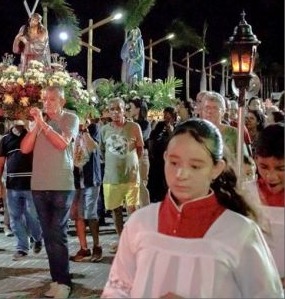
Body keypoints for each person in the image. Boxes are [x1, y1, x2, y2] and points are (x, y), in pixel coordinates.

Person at [101, 119, 283, 298]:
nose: (181, 174)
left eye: (195, 166)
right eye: (174, 163)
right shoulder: (140, 223)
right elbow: (117, 288)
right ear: (164, 158)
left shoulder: (239, 232)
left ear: (216, 168)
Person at [20, 86, 79, 299]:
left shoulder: (70, 118)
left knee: (58, 233)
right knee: (47, 235)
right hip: (39, 185)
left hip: (61, 185)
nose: (47, 103)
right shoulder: (38, 123)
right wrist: (36, 125)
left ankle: (64, 282)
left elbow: (62, 143)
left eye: (52, 99)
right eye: (44, 99)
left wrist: (43, 124)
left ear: (62, 102)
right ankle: (56, 279)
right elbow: (25, 148)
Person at [99, 98, 143, 254]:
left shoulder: (134, 127)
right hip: (112, 177)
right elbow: (102, 152)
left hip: (131, 177)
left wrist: (133, 166)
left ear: (124, 110)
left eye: (118, 108)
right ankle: (122, 241)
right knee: (115, 210)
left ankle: (135, 242)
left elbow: (140, 149)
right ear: (108, 112)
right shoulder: (104, 130)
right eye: (112, 109)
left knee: (133, 209)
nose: (115, 112)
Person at [0, 120, 43, 260]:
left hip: (31, 184)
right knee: (15, 217)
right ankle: (22, 247)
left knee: (32, 215)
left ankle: (37, 238)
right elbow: (0, 164)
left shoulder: (32, 135)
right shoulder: (5, 140)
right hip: (12, 185)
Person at [252, 123, 284, 285]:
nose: (270, 176)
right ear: (255, 160)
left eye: (280, 168)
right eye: (263, 167)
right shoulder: (245, 195)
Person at [69, 118, 103, 263]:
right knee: (78, 215)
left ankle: (97, 246)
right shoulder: (69, 128)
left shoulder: (93, 127)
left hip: (91, 178)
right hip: (76, 180)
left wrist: (84, 130)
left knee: (91, 213)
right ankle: (84, 248)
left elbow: (93, 147)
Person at [147, 106, 177, 203]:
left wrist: (170, 130)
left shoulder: (176, 127)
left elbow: (174, 140)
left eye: (169, 117)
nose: (166, 119)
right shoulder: (159, 125)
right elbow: (152, 138)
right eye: (165, 117)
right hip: (157, 157)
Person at [127, 98, 151, 207]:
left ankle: (146, 212)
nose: (129, 109)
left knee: (140, 184)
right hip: (130, 155)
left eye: (131, 107)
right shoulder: (128, 123)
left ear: (138, 109)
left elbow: (142, 138)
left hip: (141, 155)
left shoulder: (145, 124)